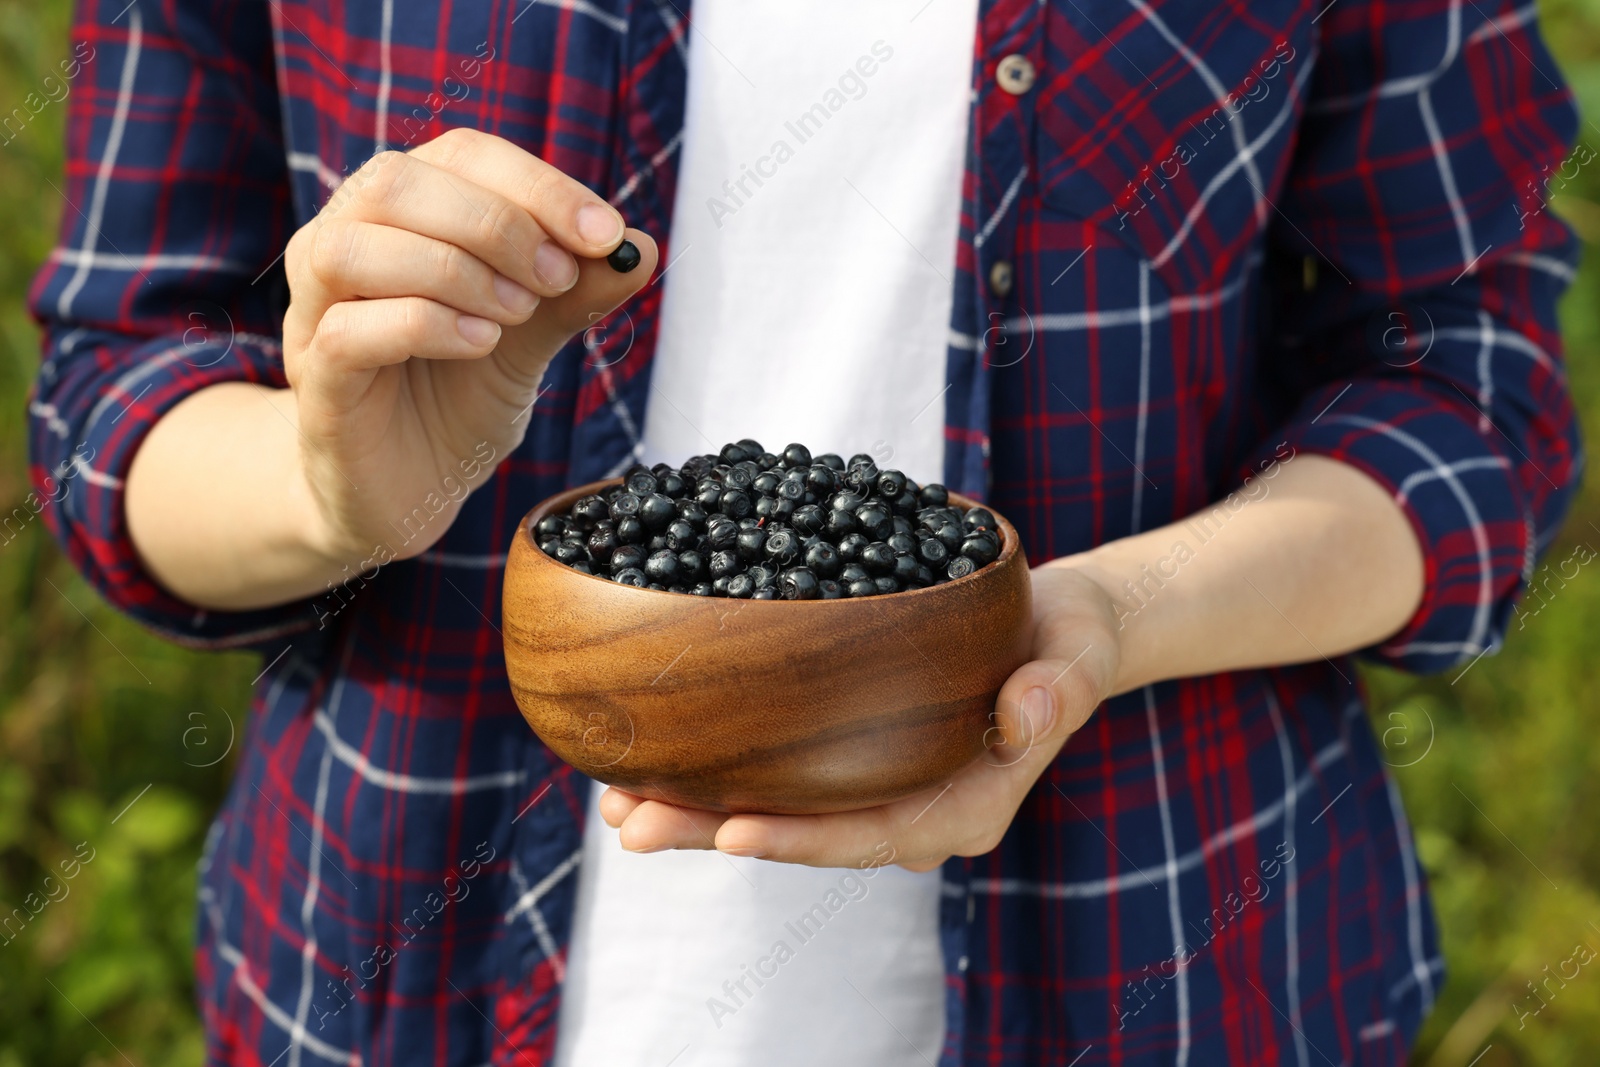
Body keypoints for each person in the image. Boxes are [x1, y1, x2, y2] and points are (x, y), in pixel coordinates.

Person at [26, 0, 1579, 1063]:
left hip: (1170, 958)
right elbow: (121, 381)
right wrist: (330, 489)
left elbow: (1464, 385)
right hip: (389, 969)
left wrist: (1110, 619)